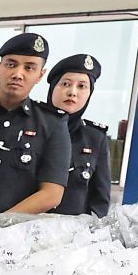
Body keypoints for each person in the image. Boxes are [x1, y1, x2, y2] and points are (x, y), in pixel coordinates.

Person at [0, 33, 70, 216]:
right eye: (11, 64)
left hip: (15, 234)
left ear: (40, 75)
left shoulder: (52, 123)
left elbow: (51, 194)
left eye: (29, 68)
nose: (18, 74)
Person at [47, 53, 112, 218]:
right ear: (53, 87)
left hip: (73, 239)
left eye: (82, 86)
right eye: (65, 84)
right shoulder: (32, 127)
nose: (72, 92)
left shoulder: (95, 138)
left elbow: (100, 202)